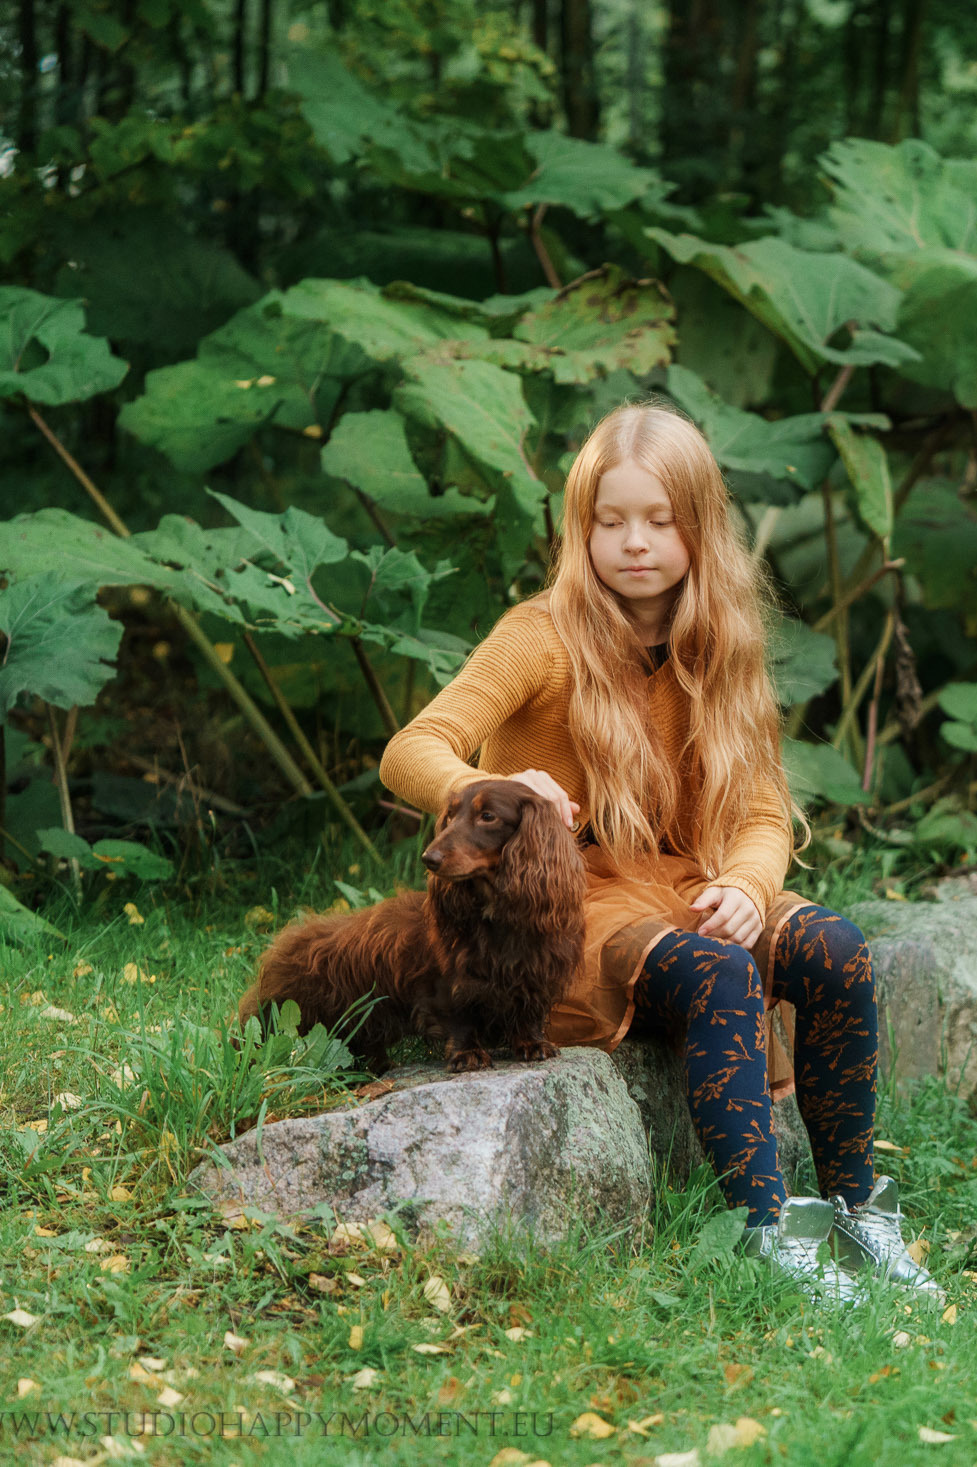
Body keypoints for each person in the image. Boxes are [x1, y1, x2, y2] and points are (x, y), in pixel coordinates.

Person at [379, 400, 938, 1305]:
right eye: (611, 521)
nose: (634, 542)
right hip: (568, 902)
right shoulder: (540, 637)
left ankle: (856, 1212)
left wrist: (752, 885)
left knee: (834, 950)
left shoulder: (722, 643)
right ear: (581, 529)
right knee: (717, 971)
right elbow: (412, 748)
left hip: (682, 881)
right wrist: (507, 786)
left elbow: (761, 809)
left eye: (658, 519)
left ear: (699, 526)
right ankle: (766, 1233)